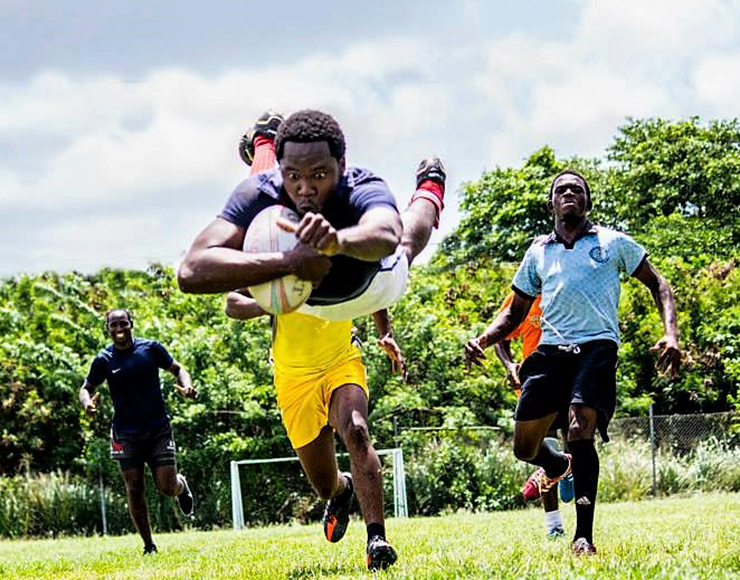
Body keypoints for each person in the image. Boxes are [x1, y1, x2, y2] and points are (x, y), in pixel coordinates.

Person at [178, 110, 443, 570]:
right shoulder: (262, 197)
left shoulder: (363, 185)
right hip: (295, 367)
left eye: (320, 175)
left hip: (362, 290)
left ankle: (431, 190)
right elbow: (191, 272)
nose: (306, 189)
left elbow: (385, 233)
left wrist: (335, 243)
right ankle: (339, 494)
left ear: (343, 165)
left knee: (406, 245)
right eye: (293, 175)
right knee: (322, 482)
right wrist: (290, 265)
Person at [464, 169, 681, 556]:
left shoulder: (613, 243)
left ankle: (583, 535)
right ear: (552, 202)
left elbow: (659, 284)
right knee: (524, 447)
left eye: (576, 190)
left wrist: (671, 334)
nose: (568, 194)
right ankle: (556, 464)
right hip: (550, 353)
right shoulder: (538, 252)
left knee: (581, 425)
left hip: (597, 347)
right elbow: (514, 314)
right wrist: (483, 339)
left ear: (587, 201)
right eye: (561, 190)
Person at [79, 309, 198, 555]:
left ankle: (180, 485)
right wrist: (87, 403)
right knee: (134, 487)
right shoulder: (103, 359)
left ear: (131, 324)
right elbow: (86, 387)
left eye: (123, 323)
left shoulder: (150, 349)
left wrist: (187, 387)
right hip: (125, 433)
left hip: (157, 429)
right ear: (108, 328)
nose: (119, 328)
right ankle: (149, 545)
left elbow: (178, 369)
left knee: (165, 487)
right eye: (114, 325)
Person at [492, 293, 573, 539]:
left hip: (571, 377)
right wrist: (510, 365)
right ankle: (554, 525)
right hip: (537, 384)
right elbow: (500, 336)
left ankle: (572, 473)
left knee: (578, 440)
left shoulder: (568, 287)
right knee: (545, 451)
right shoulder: (523, 295)